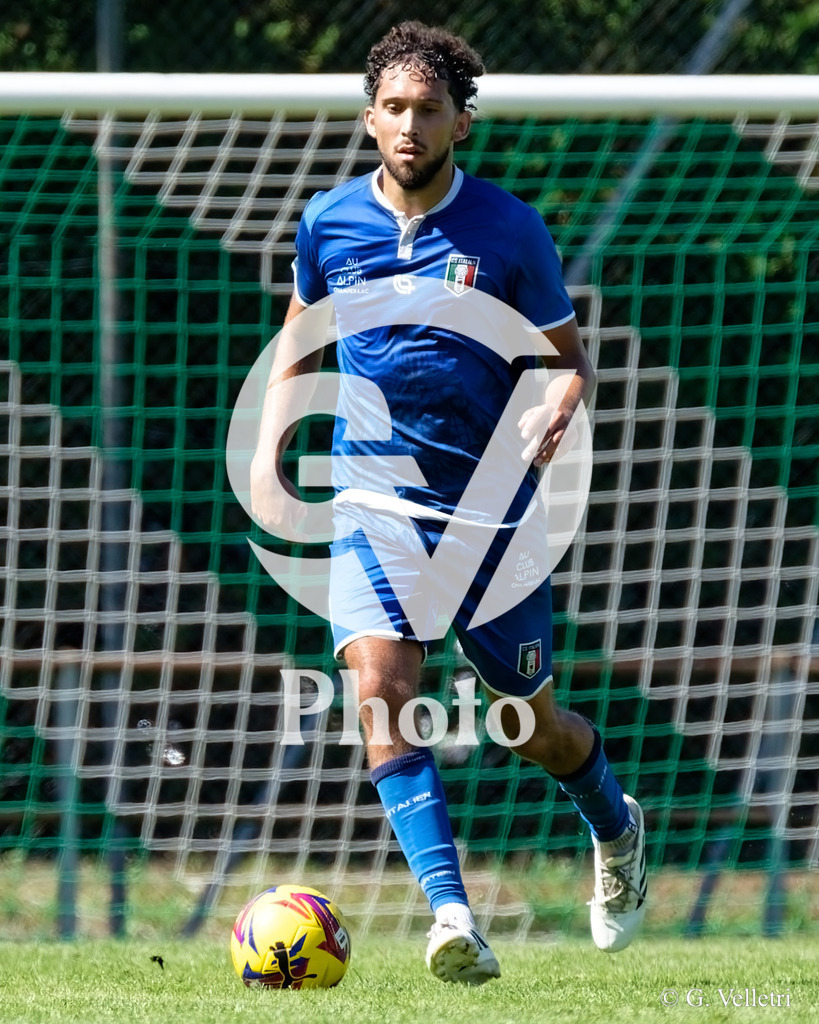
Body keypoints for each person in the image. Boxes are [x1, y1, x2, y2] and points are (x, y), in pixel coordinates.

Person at [250, 20, 646, 984]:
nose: (409, 126)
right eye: (393, 108)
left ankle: (614, 820)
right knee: (380, 695)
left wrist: (555, 405)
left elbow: (566, 362)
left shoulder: (508, 230)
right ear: (367, 118)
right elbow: (300, 333)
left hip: (490, 521)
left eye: (428, 109)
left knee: (528, 725)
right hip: (371, 504)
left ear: (459, 122)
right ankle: (451, 916)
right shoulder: (328, 222)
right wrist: (268, 452)